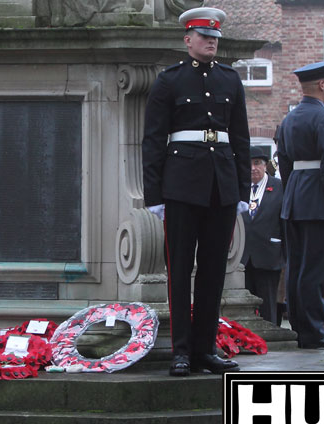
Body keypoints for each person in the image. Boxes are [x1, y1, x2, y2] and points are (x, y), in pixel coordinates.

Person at [142, 6, 250, 375]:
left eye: (215, 38)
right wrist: (154, 195)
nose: (211, 43)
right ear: (187, 39)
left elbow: (240, 138)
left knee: (213, 272)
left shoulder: (230, 80)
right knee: (180, 271)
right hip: (182, 185)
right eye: (205, 37)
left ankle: (206, 349)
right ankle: (182, 351)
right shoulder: (169, 81)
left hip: (221, 186)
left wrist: (241, 191)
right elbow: (153, 140)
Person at [275, 59, 324, 349]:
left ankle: (301, 327)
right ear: (322, 84)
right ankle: (315, 329)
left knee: (296, 267)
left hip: (295, 197)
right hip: (319, 200)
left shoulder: (289, 118)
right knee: (316, 269)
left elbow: (283, 163)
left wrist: (293, 192)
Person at [241, 147, 285, 325]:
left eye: (257, 163)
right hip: (243, 256)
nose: (253, 168)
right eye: (249, 164)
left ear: (265, 165)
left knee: (268, 302)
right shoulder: (240, 187)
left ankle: (270, 333)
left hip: (269, 253)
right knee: (245, 304)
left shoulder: (279, 187)